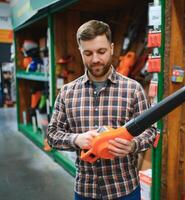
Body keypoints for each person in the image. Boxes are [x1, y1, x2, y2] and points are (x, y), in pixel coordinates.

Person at [47, 20, 156, 200]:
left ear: (112, 48)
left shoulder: (133, 89)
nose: (95, 59)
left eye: (101, 51)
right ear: (80, 51)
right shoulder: (67, 92)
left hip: (124, 189)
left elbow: (151, 132)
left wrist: (132, 145)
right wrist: (76, 139)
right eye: (88, 53)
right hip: (85, 191)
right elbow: (52, 135)